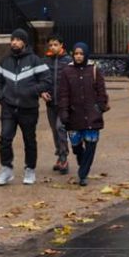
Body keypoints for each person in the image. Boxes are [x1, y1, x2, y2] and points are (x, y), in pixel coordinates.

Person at [0, 28, 51, 185]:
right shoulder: (4, 62)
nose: (14, 42)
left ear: (24, 42)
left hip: (29, 108)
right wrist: (1, 98)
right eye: (12, 39)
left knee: (29, 140)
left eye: (18, 40)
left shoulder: (35, 60)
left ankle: (30, 170)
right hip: (9, 108)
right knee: (5, 139)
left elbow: (46, 81)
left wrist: (31, 92)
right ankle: (6, 169)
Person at [55, 42, 109, 186]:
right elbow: (64, 94)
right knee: (76, 146)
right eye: (76, 54)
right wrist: (64, 112)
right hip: (74, 116)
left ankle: (83, 174)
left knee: (91, 145)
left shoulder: (94, 70)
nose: (79, 56)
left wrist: (100, 107)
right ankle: (81, 161)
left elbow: (101, 91)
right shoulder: (67, 72)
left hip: (92, 116)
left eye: (81, 54)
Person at [42, 36, 72, 173]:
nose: (53, 47)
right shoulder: (46, 61)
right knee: (55, 130)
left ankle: (64, 158)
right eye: (51, 45)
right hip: (50, 103)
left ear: (61, 45)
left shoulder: (68, 61)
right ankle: (60, 156)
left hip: (64, 103)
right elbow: (41, 80)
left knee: (61, 128)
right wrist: (42, 92)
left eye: (55, 44)